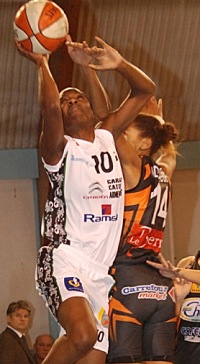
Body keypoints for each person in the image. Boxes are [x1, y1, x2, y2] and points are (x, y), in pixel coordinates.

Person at [16, 34, 155, 364]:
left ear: (94, 109)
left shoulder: (107, 136)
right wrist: (42, 62)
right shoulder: (59, 150)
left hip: (99, 272)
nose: (72, 102)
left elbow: (145, 90)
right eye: (66, 101)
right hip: (64, 258)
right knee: (83, 334)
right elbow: (48, 107)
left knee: (91, 357)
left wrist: (114, 64)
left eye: (78, 98)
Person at [106, 97, 179, 364]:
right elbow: (169, 153)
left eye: (129, 134)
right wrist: (158, 124)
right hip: (161, 287)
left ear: (144, 145)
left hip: (126, 280)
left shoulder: (136, 167)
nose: (123, 136)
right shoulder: (165, 172)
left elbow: (109, 128)